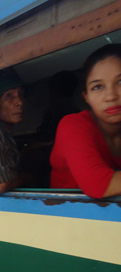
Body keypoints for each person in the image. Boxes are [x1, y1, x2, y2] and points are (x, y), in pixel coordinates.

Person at [50, 44, 121, 198]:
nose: (111, 96)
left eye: (120, 82)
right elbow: (99, 185)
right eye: (97, 87)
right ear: (86, 97)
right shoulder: (72, 124)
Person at [0, 69, 35, 193]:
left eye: (21, 94)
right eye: (9, 96)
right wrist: (26, 177)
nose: (20, 102)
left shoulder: (5, 133)